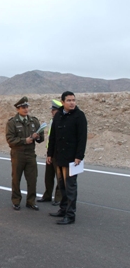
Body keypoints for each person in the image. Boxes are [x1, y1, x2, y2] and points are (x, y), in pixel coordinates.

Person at [47, 91, 87, 225]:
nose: (72, 103)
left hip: (71, 159)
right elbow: (52, 137)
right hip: (58, 157)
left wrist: (79, 156)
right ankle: (63, 209)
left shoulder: (79, 116)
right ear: (63, 102)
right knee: (61, 186)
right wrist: (49, 154)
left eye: (73, 100)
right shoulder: (58, 116)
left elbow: (82, 138)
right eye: (69, 100)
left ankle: (70, 215)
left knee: (70, 187)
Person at [6, 96, 44, 211]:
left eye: (27, 107)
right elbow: (10, 140)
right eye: (23, 107)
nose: (26, 109)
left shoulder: (34, 121)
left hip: (31, 154)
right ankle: (16, 201)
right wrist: (24, 140)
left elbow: (41, 139)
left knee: (32, 179)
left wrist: (38, 136)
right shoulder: (12, 122)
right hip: (18, 154)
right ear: (18, 109)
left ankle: (31, 201)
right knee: (16, 179)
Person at [37, 99, 62, 205]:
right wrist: (49, 153)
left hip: (59, 153)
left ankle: (58, 198)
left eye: (54, 110)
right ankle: (47, 195)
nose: (52, 112)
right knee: (48, 176)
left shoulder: (62, 121)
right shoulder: (53, 121)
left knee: (60, 177)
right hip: (51, 152)